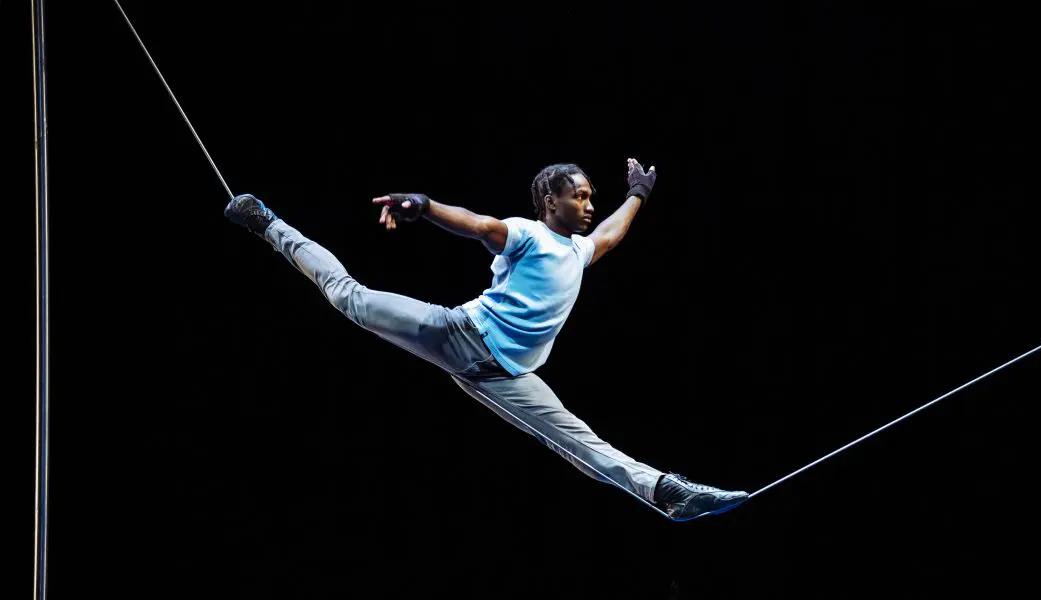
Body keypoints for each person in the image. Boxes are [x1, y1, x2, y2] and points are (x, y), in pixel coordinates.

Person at [223, 158, 748, 521]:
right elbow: (478, 224)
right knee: (349, 299)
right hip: (458, 335)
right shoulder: (527, 233)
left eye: (592, 197)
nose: (589, 205)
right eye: (580, 196)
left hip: (509, 377)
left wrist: (638, 193)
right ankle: (266, 223)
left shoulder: (579, 252)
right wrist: (425, 206)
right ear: (551, 201)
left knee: (581, 446)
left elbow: (609, 233)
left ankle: (667, 492)